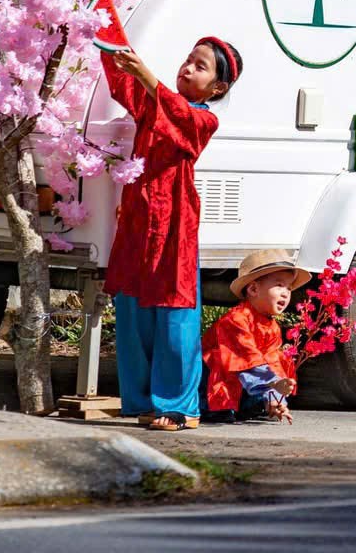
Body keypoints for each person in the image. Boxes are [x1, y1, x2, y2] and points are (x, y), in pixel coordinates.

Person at [102, 35, 244, 432]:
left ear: (218, 88)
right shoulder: (157, 102)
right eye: (188, 59)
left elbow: (177, 112)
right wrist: (105, 32)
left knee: (175, 312)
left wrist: (145, 72)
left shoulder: (203, 118)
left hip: (174, 218)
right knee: (133, 308)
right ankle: (144, 400)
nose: (187, 68)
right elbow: (125, 84)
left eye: (201, 67)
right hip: (138, 215)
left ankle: (181, 406)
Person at [203, 249, 308, 423]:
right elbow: (247, 358)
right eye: (280, 285)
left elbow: (272, 361)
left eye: (289, 288)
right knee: (225, 360)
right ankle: (219, 407)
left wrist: (275, 397)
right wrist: (273, 383)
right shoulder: (236, 319)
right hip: (213, 381)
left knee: (277, 360)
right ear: (253, 289)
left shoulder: (272, 326)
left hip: (249, 380)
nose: (286, 293)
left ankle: (260, 404)